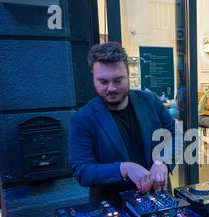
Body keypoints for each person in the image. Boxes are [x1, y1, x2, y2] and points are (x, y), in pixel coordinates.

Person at [69, 42, 176, 207]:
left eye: (118, 80)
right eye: (103, 81)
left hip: (160, 201)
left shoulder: (150, 101)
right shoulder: (82, 118)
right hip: (114, 209)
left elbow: (176, 135)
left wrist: (162, 161)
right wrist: (123, 169)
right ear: (93, 77)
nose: (111, 88)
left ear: (128, 75)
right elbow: (83, 172)